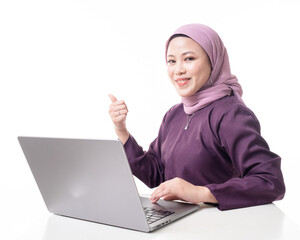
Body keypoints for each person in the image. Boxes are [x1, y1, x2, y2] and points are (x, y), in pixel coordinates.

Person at [108, 24, 285, 210]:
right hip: (177, 223)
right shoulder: (175, 113)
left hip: (219, 227)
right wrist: (121, 129)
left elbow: (270, 180)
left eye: (189, 59)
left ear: (213, 61)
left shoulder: (231, 113)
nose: (178, 70)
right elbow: (156, 175)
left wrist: (200, 193)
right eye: (171, 61)